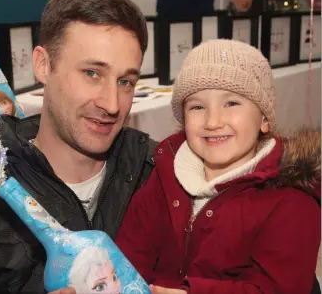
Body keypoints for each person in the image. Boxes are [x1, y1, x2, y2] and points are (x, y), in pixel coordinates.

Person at [0, 0, 157, 293]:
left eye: (125, 82)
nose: (112, 104)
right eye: (91, 73)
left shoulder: (157, 172)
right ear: (42, 65)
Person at [116, 39, 321, 294]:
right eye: (198, 107)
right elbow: (130, 256)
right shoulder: (165, 175)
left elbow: (278, 288)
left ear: (264, 119)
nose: (213, 121)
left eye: (231, 103)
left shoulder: (291, 199)